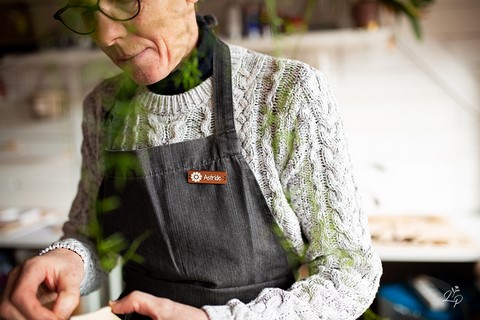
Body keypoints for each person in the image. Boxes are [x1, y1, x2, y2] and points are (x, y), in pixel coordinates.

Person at [0, 0, 382, 319]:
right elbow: (95, 237)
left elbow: (350, 274)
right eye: (86, 12)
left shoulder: (285, 93)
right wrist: (68, 260)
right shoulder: (103, 107)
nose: (105, 36)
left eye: (123, 1)